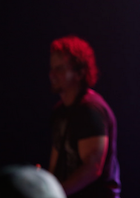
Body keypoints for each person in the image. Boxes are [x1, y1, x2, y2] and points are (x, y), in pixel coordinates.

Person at [48, 35, 121, 198]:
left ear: (80, 73)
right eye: (51, 68)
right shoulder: (60, 111)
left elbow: (92, 168)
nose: (52, 74)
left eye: (59, 68)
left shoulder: (90, 109)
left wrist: (53, 193)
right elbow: (56, 162)